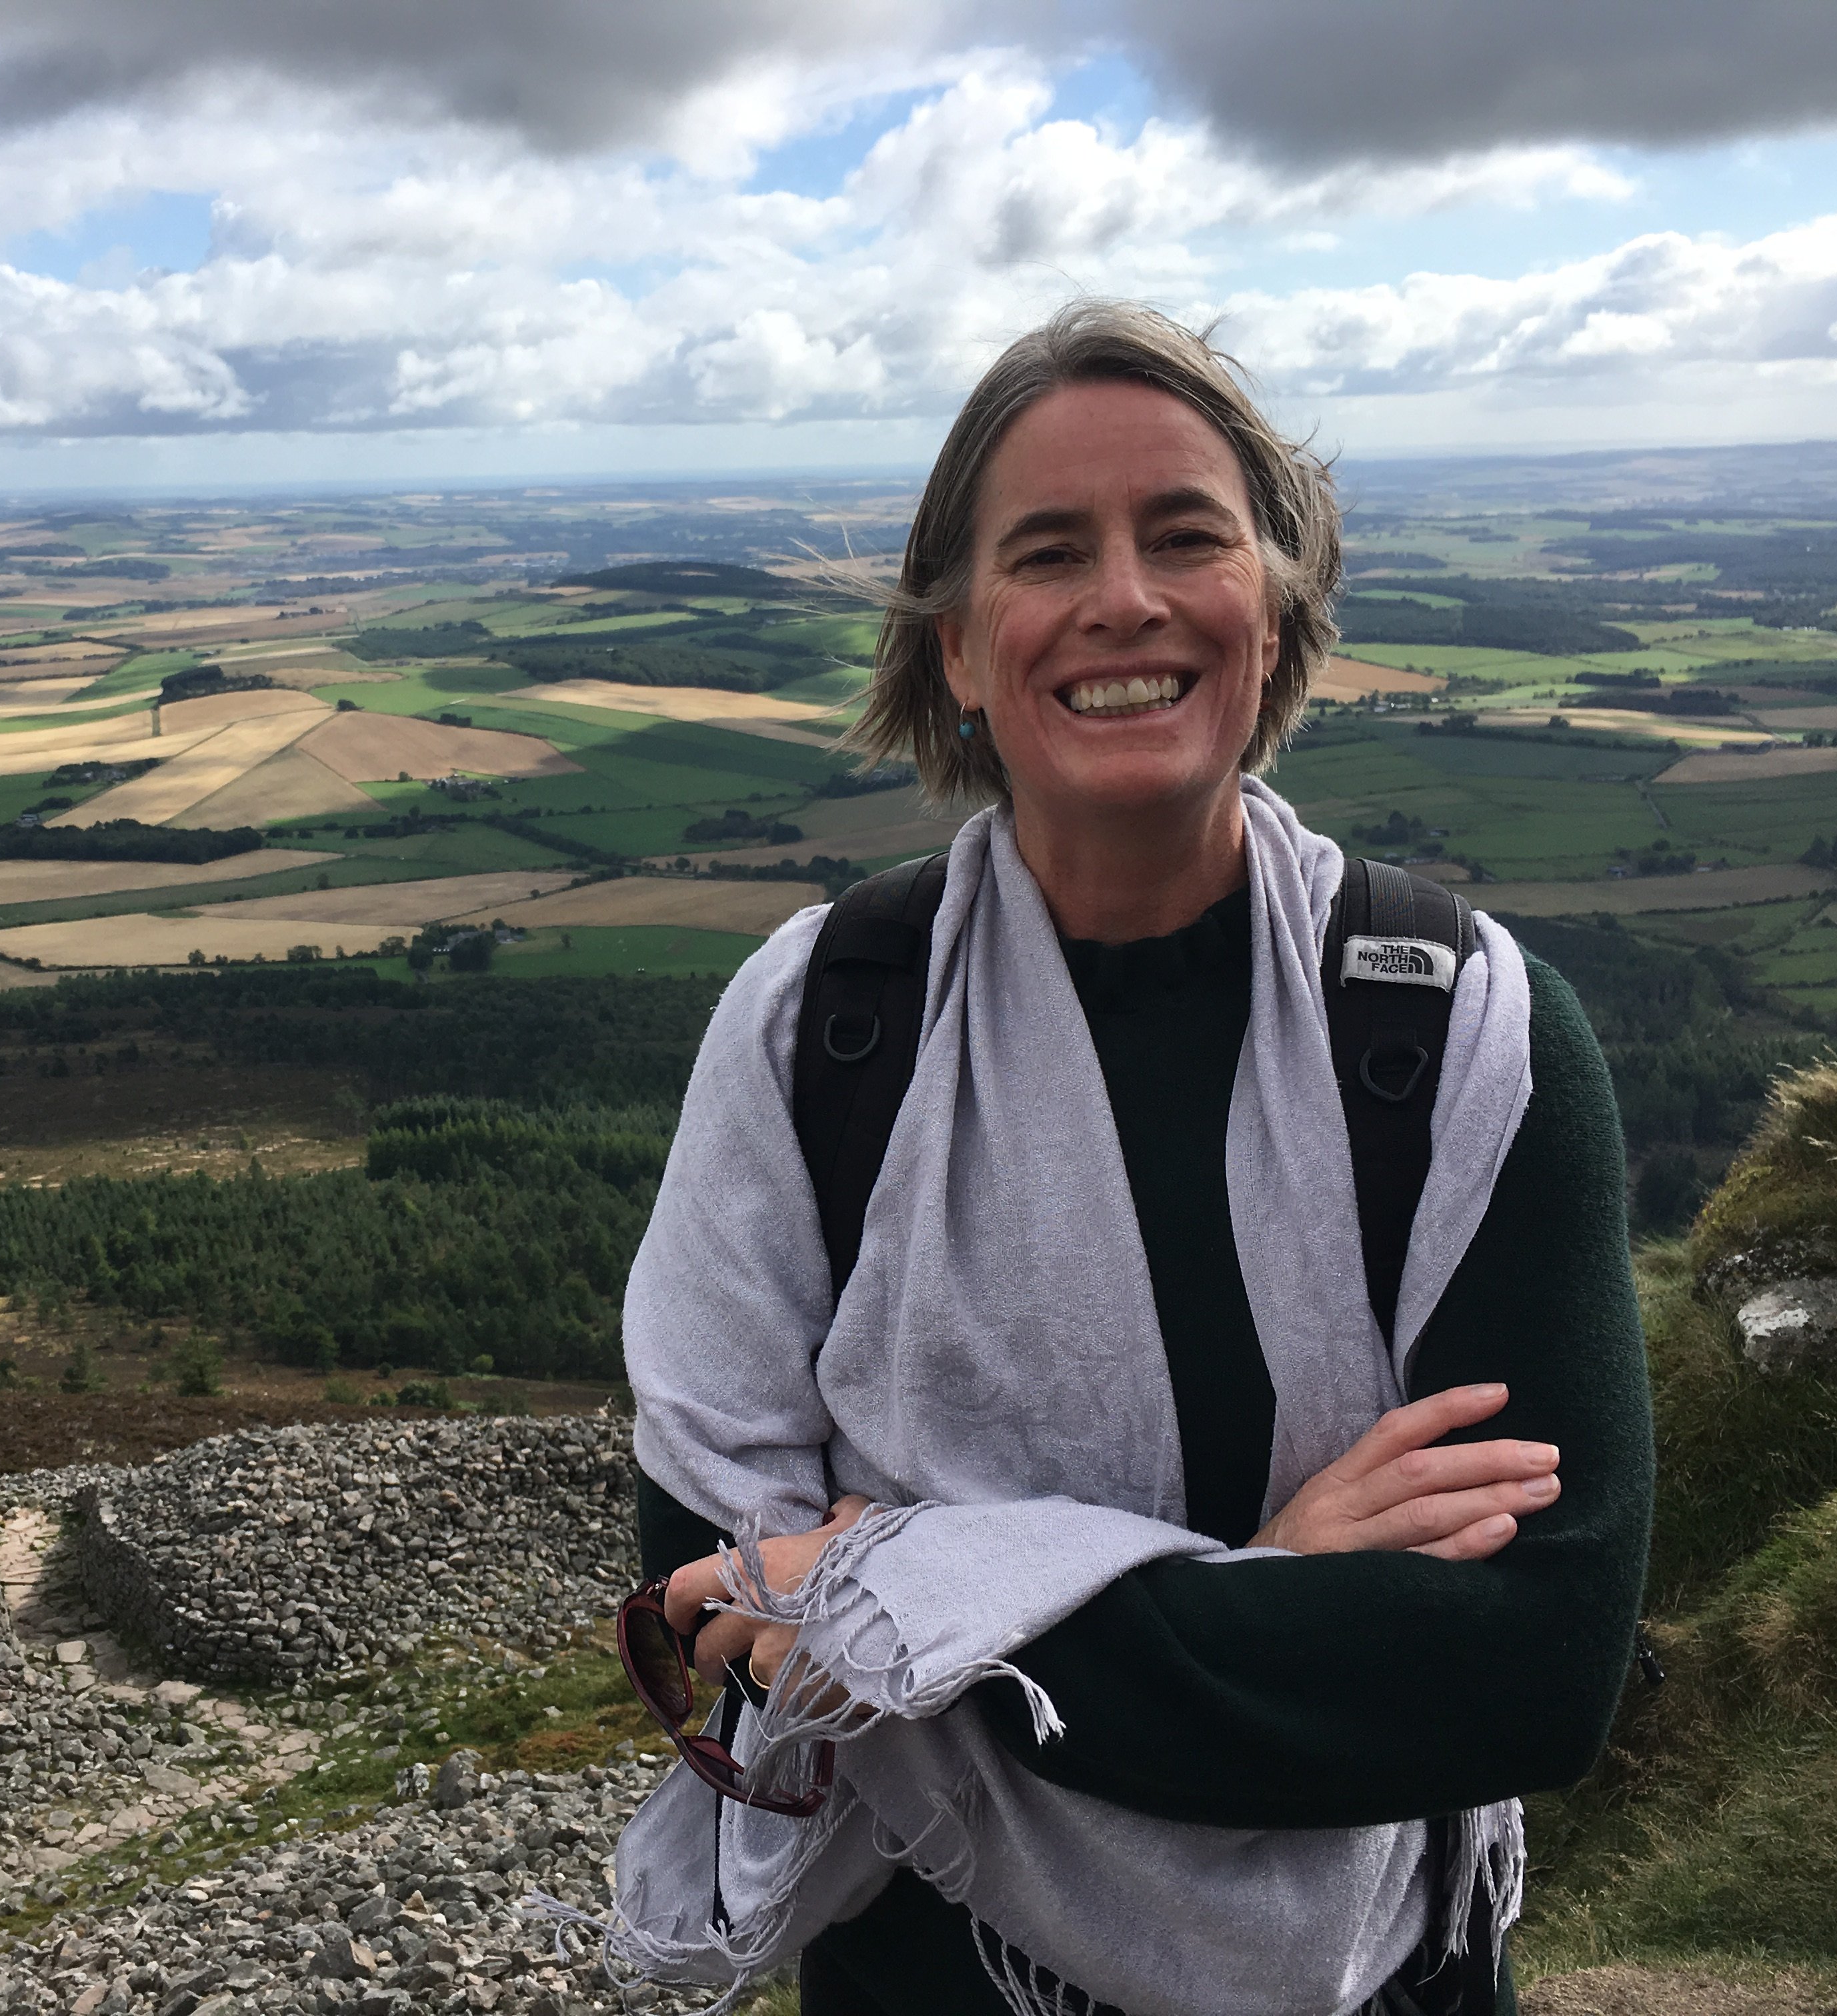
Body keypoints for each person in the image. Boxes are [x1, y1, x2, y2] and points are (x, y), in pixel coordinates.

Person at [608, 300, 1652, 2016]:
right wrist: (1286, 1586)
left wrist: (907, 1601)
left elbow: (1531, 1671)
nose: (1124, 600)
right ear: (956, 644)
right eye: (1047, 552)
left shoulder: (1462, 1037)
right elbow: (733, 1624)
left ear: (1275, 605)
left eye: (1186, 536)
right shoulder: (816, 1035)